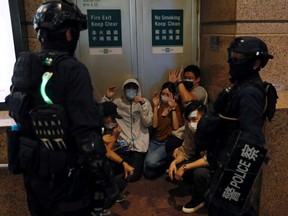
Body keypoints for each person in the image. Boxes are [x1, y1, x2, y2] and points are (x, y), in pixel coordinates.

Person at [6, 1, 108, 215]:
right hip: (66, 179)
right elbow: (86, 135)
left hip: (33, 171)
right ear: (69, 35)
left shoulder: (24, 65)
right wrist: (104, 178)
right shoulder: (73, 69)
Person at [206, 36, 274, 216]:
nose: (232, 61)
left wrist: (234, 178)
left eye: (239, 57)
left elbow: (252, 138)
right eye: (232, 55)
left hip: (233, 163)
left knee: (228, 209)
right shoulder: (241, 85)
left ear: (255, 63)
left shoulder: (250, 92)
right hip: (224, 155)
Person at [101, 78, 153, 182]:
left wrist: (142, 104)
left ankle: (132, 165)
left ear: (137, 90)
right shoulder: (118, 102)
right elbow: (104, 112)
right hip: (123, 143)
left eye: (133, 89)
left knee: (133, 176)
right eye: (128, 89)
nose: (130, 91)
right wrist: (107, 98)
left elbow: (148, 123)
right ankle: (127, 165)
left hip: (139, 144)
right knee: (108, 166)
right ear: (123, 90)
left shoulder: (144, 102)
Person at [168, 102, 210, 214]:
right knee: (177, 163)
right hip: (199, 157)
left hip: (213, 164)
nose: (191, 123)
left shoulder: (211, 130)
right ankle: (196, 187)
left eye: (194, 119)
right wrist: (174, 162)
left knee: (200, 173)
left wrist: (186, 167)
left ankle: (200, 199)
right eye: (189, 120)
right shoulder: (190, 127)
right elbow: (186, 150)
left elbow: (209, 159)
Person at [165, 65, 209, 158]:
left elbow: (187, 98)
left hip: (195, 131)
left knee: (171, 148)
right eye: (185, 77)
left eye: (190, 78)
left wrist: (180, 81)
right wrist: (172, 84)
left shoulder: (200, 90)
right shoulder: (186, 89)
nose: (187, 80)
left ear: (197, 79)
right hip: (186, 128)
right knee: (170, 145)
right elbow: (174, 98)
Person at [143, 82, 183, 179]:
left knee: (150, 162)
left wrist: (172, 109)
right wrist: (155, 106)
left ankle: (168, 163)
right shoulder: (159, 106)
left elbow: (176, 127)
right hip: (154, 141)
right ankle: (165, 166)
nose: (164, 96)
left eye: (167, 94)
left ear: (172, 95)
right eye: (163, 94)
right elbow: (155, 125)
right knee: (147, 172)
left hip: (165, 143)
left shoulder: (176, 106)